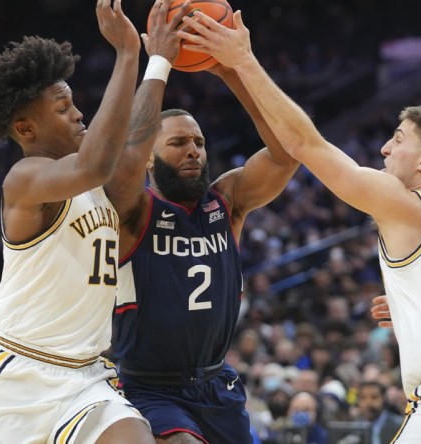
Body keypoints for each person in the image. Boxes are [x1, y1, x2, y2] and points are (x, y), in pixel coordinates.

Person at [179, 11, 421, 443]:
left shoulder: (407, 204)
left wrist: (244, 62)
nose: (386, 148)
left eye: (399, 139)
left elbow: (303, 144)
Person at [0, 0, 156, 442]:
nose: (79, 113)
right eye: (64, 107)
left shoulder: (93, 185)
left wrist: (157, 62)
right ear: (26, 130)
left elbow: (134, 148)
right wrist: (127, 56)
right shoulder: (25, 179)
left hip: (87, 378)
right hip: (18, 380)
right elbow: (95, 164)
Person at [105, 7, 300, 442]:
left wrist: (230, 71)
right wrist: (158, 63)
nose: (193, 150)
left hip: (216, 382)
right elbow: (125, 159)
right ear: (150, 157)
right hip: (147, 386)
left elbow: (287, 153)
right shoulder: (133, 211)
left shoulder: (227, 201)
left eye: (198, 142)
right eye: (177, 143)